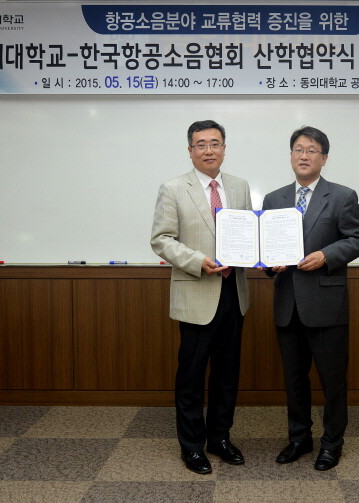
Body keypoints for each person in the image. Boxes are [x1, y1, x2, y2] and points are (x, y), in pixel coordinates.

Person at [261, 126, 359, 471]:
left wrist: (326, 255)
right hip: (288, 305)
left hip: (326, 305)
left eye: (311, 150)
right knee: (294, 380)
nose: (303, 156)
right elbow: (266, 251)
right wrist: (269, 264)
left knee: (332, 380)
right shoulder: (274, 199)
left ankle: (332, 443)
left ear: (324, 158)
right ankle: (299, 438)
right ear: (290, 156)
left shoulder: (342, 196)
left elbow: (357, 240)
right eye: (298, 149)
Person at [150, 120, 251, 475]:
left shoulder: (239, 186)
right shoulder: (173, 188)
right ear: (190, 150)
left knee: (227, 374)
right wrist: (198, 261)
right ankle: (192, 447)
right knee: (191, 376)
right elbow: (161, 239)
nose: (209, 150)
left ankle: (219, 438)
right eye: (201, 144)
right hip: (196, 293)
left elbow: (247, 234)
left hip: (234, 292)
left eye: (215, 143)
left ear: (224, 148)